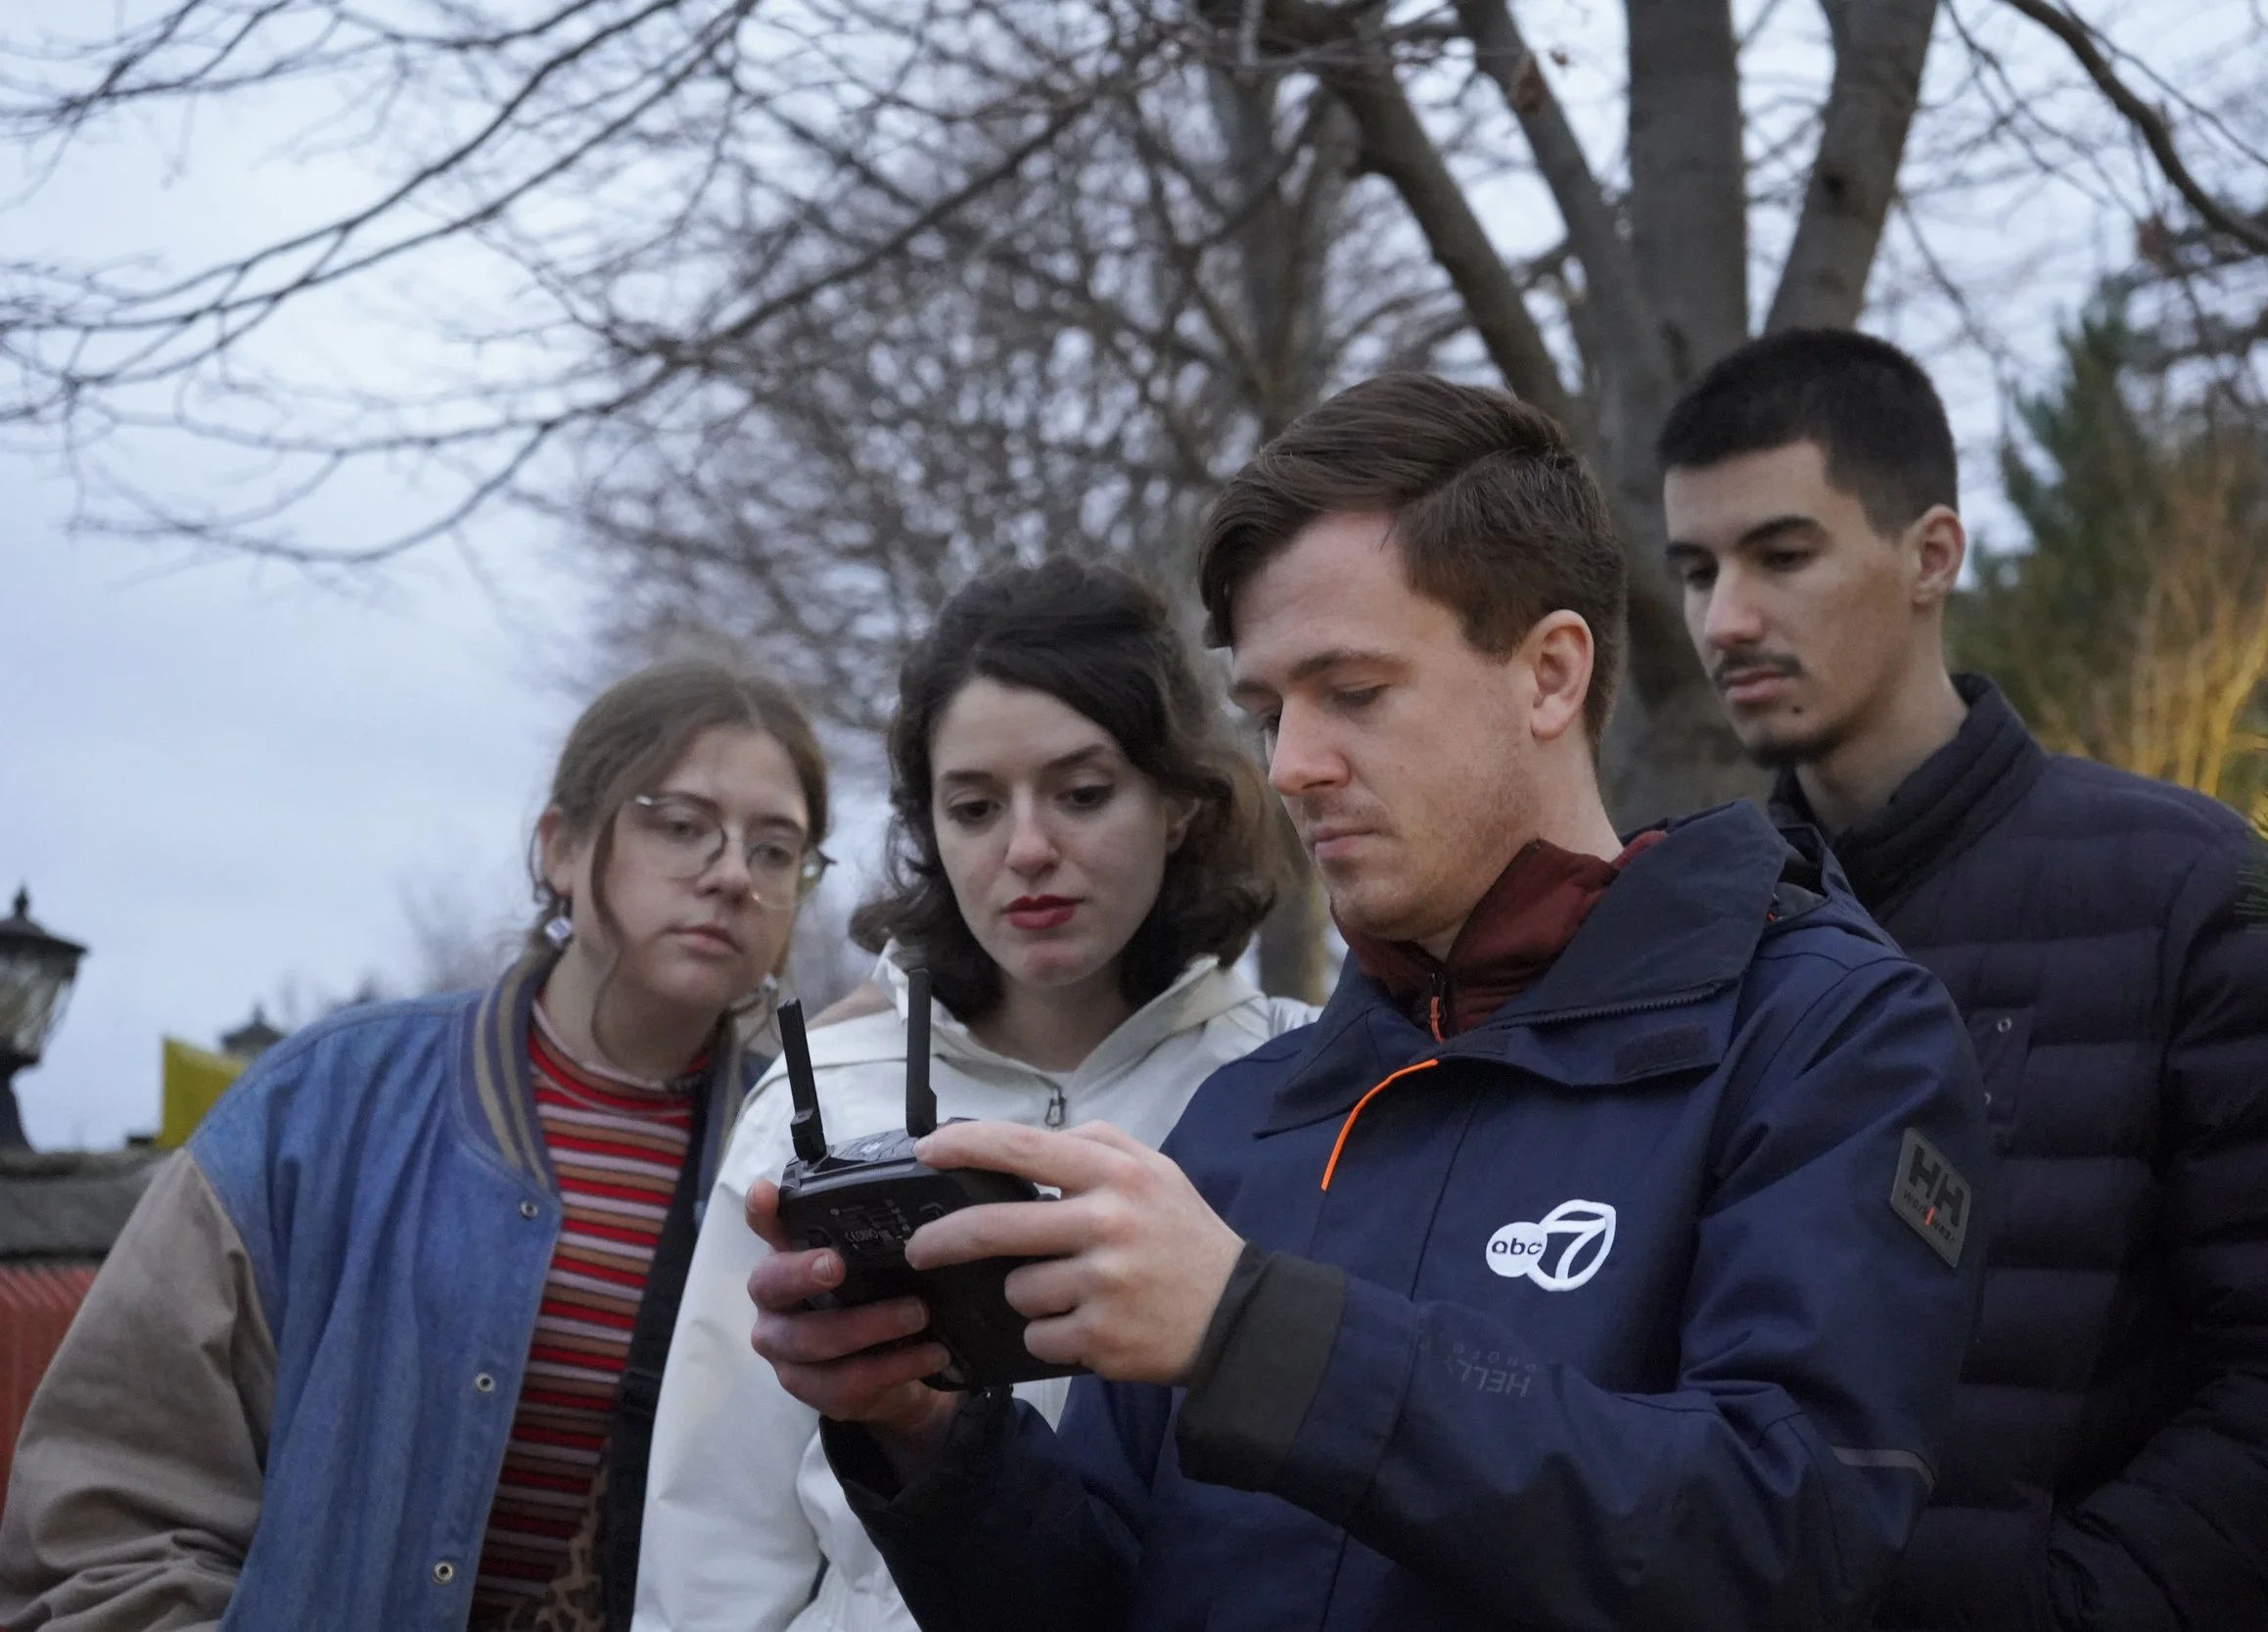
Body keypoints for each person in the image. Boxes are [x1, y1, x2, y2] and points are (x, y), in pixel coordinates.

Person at [739, 374, 1995, 1631]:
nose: (1291, 765)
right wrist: (931, 1439)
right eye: (1268, 710)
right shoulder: (1246, 1118)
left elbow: (1787, 1540)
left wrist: (1256, 1337)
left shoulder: (1829, 1035)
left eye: (1353, 691)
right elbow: (1100, 1598)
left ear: (1550, 673)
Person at [1656, 328, 2268, 1632]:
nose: (1726, 618)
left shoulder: (2187, 890)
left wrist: (2074, 1607)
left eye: (1782, 555)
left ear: (1932, 555)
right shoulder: (1684, 930)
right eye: (1695, 568)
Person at [0, 659, 832, 1632]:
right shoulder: (325, 1102)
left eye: (776, 850)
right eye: (680, 824)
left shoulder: (805, 1157)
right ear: (560, 847)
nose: (733, 873)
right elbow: (105, 1506)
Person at [633, 557, 1314, 1632]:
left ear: (1178, 799)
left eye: (1083, 793)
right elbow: (713, 1534)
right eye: (974, 805)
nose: (1028, 849)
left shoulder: (1295, 1087)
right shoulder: (820, 1110)